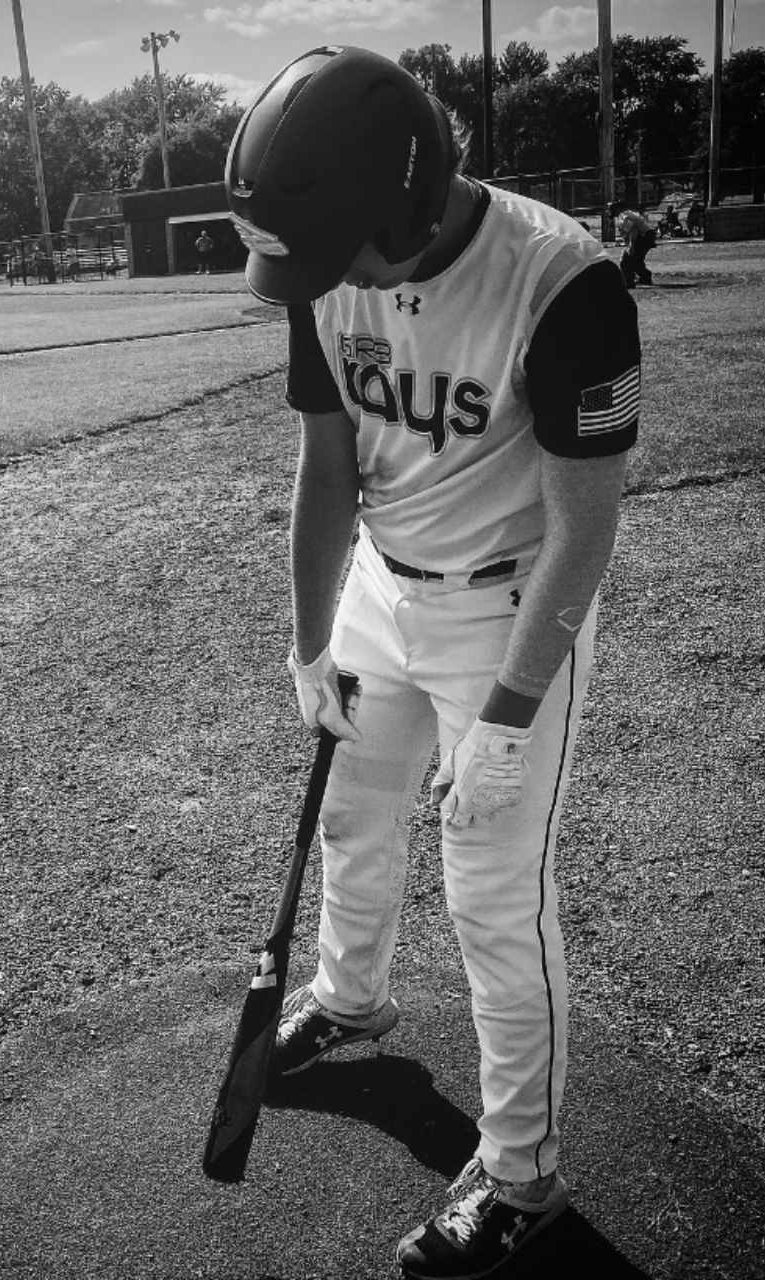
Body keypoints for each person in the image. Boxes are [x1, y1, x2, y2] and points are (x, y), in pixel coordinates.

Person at [226, 46, 641, 1280]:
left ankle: (521, 1173)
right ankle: (350, 996)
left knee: (492, 897)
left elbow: (585, 525)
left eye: (343, 250)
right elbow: (324, 469)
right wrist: (310, 641)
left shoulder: (562, 280)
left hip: (506, 614)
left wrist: (511, 713)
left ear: (404, 199)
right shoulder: (326, 260)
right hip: (379, 590)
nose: (328, 282)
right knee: (355, 815)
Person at [610, 200, 656, 287]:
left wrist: (631, 245)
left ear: (619, 208)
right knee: (637, 260)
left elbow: (633, 229)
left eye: (613, 208)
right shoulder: (629, 213)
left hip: (642, 237)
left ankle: (629, 281)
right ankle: (645, 278)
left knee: (626, 260)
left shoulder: (623, 215)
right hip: (648, 235)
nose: (612, 211)